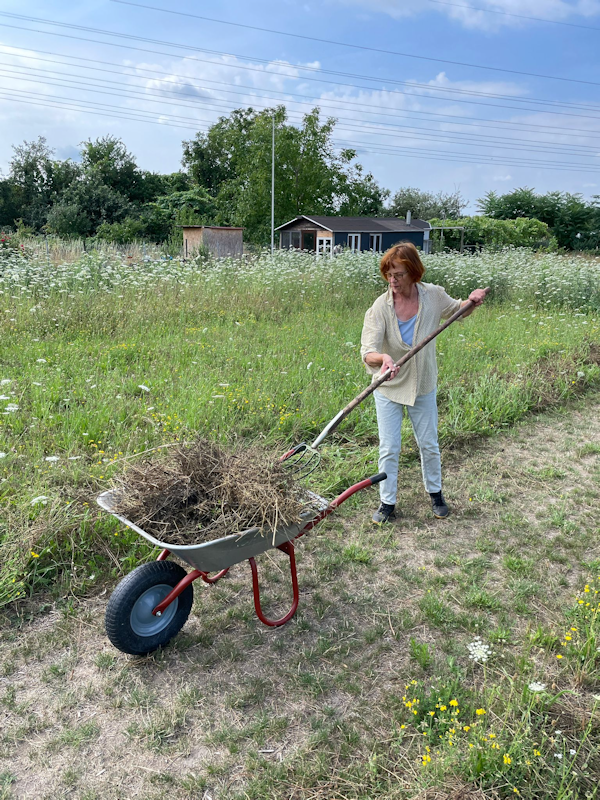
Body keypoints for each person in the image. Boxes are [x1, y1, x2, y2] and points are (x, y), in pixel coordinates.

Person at [360, 241, 487, 524]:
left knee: (428, 443)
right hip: (389, 386)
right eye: (389, 274)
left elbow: (458, 311)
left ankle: (436, 494)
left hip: (422, 383)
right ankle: (387, 502)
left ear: (414, 273)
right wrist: (383, 359)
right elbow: (367, 351)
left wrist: (472, 301)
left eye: (399, 274)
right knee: (389, 447)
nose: (392, 280)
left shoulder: (432, 296)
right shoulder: (380, 307)